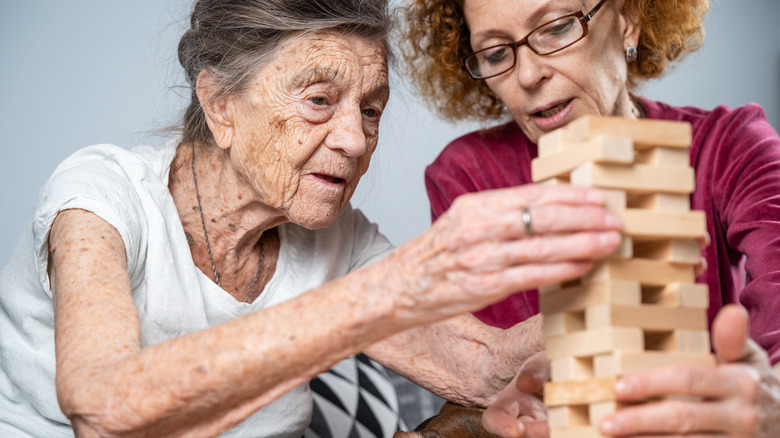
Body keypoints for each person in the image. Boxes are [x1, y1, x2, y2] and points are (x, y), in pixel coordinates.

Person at [0, 0, 624, 437]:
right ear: (219, 103)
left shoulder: (336, 236)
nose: (354, 140)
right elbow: (103, 409)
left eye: (372, 110)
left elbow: (479, 366)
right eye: (320, 101)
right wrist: (387, 289)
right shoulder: (101, 195)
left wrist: (619, 304)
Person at [399, 0, 780, 436]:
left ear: (629, 20)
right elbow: (511, 381)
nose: (527, 75)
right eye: (497, 54)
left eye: (557, 28)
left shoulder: (733, 144)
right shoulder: (467, 176)